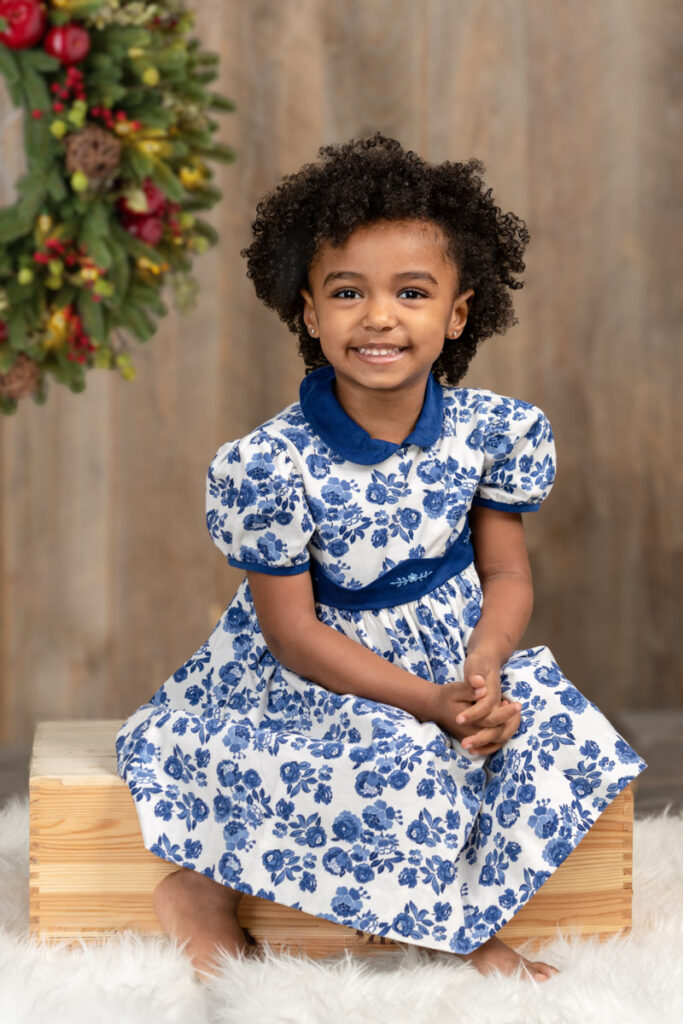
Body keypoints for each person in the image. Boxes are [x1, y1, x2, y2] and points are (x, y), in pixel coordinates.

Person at [116, 132, 647, 983]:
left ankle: (470, 908)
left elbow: (505, 573)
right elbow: (290, 633)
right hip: (317, 677)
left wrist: (483, 667)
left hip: (451, 662)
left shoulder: (490, 434)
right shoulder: (271, 464)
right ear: (308, 312)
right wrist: (425, 703)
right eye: (346, 292)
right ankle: (204, 892)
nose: (378, 316)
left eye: (411, 292)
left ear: (457, 313)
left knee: (552, 730)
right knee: (398, 759)